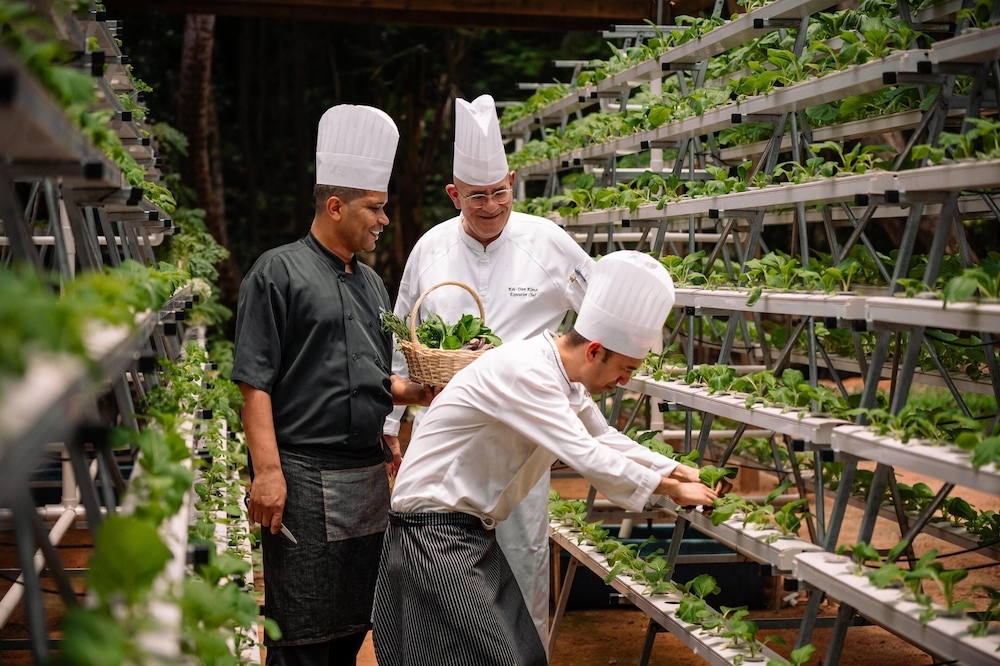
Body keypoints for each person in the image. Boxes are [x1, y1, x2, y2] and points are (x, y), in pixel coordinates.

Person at [372, 250, 719, 665]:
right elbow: (586, 454)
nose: (625, 382)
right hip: (431, 530)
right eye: (625, 369)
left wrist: (678, 469)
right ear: (594, 351)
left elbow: (604, 437)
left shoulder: (561, 377)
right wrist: (671, 490)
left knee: (523, 652)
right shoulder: (529, 372)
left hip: (465, 530)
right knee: (496, 658)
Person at [381, 93, 594, 647]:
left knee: (522, 556)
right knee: (439, 565)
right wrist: (390, 428)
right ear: (455, 194)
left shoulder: (546, 241)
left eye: (501, 193)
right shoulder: (430, 250)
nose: (492, 207)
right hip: (443, 434)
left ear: (513, 183)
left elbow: (597, 310)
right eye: (478, 197)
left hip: (521, 432)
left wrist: (570, 364)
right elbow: (402, 337)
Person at [232, 104, 436, 666]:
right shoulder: (276, 272)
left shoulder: (371, 283)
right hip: (300, 477)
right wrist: (267, 472)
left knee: (350, 629)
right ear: (335, 205)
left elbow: (371, 378)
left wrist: (419, 393)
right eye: (375, 208)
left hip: (366, 480)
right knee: (300, 637)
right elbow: (255, 382)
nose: (382, 220)